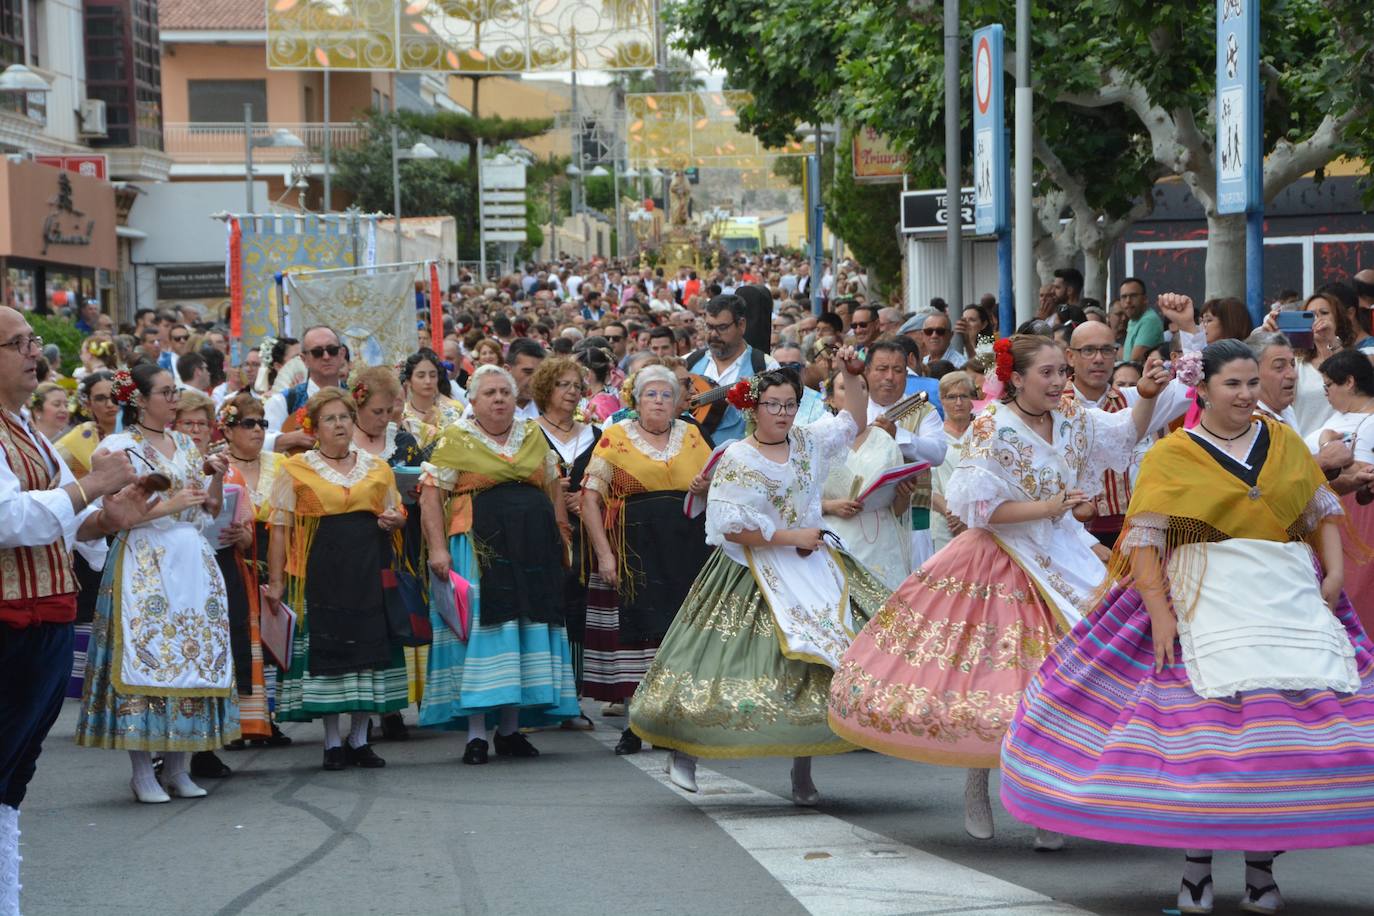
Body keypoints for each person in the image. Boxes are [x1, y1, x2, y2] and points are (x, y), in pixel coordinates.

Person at [1001, 339, 1374, 916]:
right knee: (1202, 744)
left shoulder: (1282, 441)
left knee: (1280, 744)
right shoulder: (1171, 454)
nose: (1246, 395)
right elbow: (1146, 539)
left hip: (1286, 596)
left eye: (1252, 383)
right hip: (1199, 595)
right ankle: (1197, 866)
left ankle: (1261, 870)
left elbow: (1319, 509)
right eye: (1233, 384)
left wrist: (1336, 574)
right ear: (1202, 389)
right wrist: (1159, 613)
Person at [828, 335, 1167, 845]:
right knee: (994, 681)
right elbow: (977, 509)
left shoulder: (1072, 416)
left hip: (1064, 556)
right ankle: (977, 782)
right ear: (1017, 378)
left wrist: (1146, 396)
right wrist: (1049, 507)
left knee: (1065, 684)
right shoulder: (991, 426)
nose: (1058, 382)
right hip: (1001, 559)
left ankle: (1045, 803)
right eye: (1047, 373)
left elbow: (1123, 434)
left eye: (1061, 371)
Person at [629, 354, 890, 805]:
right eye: (773, 405)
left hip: (811, 567)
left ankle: (802, 772)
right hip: (751, 570)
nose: (783, 413)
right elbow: (731, 527)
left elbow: (853, 420)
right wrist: (792, 536)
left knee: (813, 672)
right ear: (754, 408)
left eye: (790, 404)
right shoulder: (738, 457)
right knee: (718, 665)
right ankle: (685, 754)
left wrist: (851, 376)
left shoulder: (807, 441)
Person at [0, 307, 144, 912]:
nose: (35, 352)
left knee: (12, 779)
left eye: (33, 341)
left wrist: (106, 518)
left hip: (47, 621)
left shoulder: (24, 428)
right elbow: (9, 519)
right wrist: (91, 487)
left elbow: (68, 518)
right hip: (9, 626)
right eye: (19, 343)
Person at [75, 364, 240, 804]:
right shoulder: (117, 449)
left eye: (174, 392)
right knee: (148, 656)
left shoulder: (184, 442)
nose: (173, 400)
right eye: (165, 392)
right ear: (139, 399)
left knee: (191, 657)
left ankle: (179, 767)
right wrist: (170, 505)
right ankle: (142, 772)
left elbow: (207, 509)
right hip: (145, 556)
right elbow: (116, 517)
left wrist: (215, 476)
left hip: (190, 558)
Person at [418, 365, 580, 764]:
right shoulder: (455, 438)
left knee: (522, 632)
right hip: (478, 548)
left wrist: (562, 536)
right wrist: (437, 550)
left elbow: (551, 488)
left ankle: (510, 731)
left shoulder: (532, 435)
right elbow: (430, 497)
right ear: (472, 401)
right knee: (485, 635)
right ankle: (476, 734)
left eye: (505, 392)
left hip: (532, 548)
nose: (498, 399)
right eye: (489, 393)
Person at [265, 388, 409, 770]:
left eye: (344, 416)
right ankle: (332, 742)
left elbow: (396, 511)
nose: (339, 424)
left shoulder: (377, 467)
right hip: (320, 572)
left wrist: (395, 519)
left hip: (368, 566)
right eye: (330, 419)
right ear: (314, 428)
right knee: (330, 653)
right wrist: (276, 582)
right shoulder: (295, 469)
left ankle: (359, 739)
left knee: (368, 651)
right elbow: (279, 529)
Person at [581, 366, 713, 754]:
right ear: (636, 401)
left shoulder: (692, 436)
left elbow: (719, 488)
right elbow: (589, 498)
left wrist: (706, 487)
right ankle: (636, 724)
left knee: (678, 632)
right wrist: (604, 554)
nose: (658, 401)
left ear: (677, 403)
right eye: (650, 394)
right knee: (638, 635)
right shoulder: (616, 436)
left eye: (666, 395)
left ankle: (673, 723)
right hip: (635, 548)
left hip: (687, 546)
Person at [1065, 315, 1194, 547]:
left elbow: (1188, 388)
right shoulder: (1052, 406)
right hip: (1069, 536)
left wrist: (1187, 326)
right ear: (1070, 357)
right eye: (1088, 350)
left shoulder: (1134, 398)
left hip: (1129, 532)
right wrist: (1085, 543)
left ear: (1116, 354)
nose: (1098, 358)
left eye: (1107, 350)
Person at [350, 365, 426, 741]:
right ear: (358, 406)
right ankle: (363, 707)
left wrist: (409, 502)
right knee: (363, 623)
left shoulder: (403, 440)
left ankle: (393, 705)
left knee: (394, 620)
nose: (384, 419)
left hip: (396, 542)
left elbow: (421, 486)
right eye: (376, 412)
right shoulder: (340, 441)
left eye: (389, 410)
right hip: (355, 545)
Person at [219, 393, 293, 751]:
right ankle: (236, 722)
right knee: (239, 642)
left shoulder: (280, 464)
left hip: (275, 556)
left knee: (273, 641)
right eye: (248, 423)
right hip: (235, 560)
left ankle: (268, 718)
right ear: (228, 430)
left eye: (262, 423)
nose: (258, 430)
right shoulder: (218, 466)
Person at [531, 357, 600, 724]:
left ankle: (572, 698)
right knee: (546, 609)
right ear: (546, 389)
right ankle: (540, 698)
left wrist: (588, 499)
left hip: (586, 536)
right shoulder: (528, 433)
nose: (572, 392)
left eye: (576, 385)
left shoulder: (596, 435)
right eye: (563, 384)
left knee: (578, 610)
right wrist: (552, 493)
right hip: (542, 535)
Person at [820, 370, 911, 590]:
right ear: (830, 399)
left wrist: (903, 494)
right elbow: (798, 500)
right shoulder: (819, 439)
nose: (855, 393)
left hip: (881, 540)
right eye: (845, 388)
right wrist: (830, 506)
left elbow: (898, 510)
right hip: (836, 538)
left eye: (861, 388)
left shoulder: (884, 440)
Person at [1306, 349, 1374, 637]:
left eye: (1328, 386)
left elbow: (1361, 471)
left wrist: (1325, 448)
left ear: (1349, 382)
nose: (1326, 394)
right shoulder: (1344, 416)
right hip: (1329, 513)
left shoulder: (1369, 422)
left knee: (1354, 595)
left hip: (1350, 517)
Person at [863, 341, 947, 573]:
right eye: (882, 369)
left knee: (912, 586)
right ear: (867, 371)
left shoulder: (923, 410)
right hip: (863, 519)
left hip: (912, 518)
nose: (890, 377)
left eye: (898, 370)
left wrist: (898, 435)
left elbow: (938, 453)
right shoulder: (852, 410)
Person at [685, 295, 779, 444]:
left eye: (722, 328)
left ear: (741, 325)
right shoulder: (688, 363)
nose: (713, 334)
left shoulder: (766, 367)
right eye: (709, 327)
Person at [263, 325, 345, 452]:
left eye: (332, 350)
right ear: (304, 359)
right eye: (317, 352)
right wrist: (293, 438)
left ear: (342, 354)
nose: (326, 356)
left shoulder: (357, 398)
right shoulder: (284, 400)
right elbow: (260, 442)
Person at [929, 371, 976, 552]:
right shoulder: (933, 436)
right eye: (951, 397)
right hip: (944, 522)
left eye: (963, 396)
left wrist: (967, 515)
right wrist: (952, 512)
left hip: (978, 522)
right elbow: (926, 485)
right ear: (941, 400)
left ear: (972, 400)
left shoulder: (983, 434)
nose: (958, 402)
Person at [55, 371, 119, 478]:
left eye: (115, 397)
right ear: (88, 404)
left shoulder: (140, 431)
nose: (110, 404)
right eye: (100, 398)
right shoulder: (79, 436)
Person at [401, 348, 464, 447]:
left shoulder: (453, 411)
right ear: (409, 381)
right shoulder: (401, 414)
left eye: (433, 375)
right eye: (421, 376)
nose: (428, 381)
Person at [1120, 277, 1163, 362]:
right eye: (1124, 297)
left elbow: (1135, 360)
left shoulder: (1149, 320)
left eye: (1133, 296)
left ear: (1145, 299)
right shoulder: (1133, 319)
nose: (1128, 301)